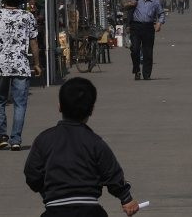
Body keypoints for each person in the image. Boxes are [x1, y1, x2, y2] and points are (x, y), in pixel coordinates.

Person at [24, 78, 140, 216]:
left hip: (55, 209)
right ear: (91, 110)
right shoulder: (95, 142)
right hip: (90, 210)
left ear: (59, 106)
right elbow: (112, 173)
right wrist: (126, 198)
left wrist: (48, 191)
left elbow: (32, 173)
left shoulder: (43, 140)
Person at [0, 0, 41, 151]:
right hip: (21, 66)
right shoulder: (28, 16)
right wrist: (37, 64)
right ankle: (16, 139)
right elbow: (34, 42)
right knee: (20, 104)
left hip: (1, 65)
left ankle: (1, 136)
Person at [125, 0, 164, 80]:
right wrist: (130, 4)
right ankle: (136, 70)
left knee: (148, 52)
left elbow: (161, 14)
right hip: (136, 27)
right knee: (135, 50)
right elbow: (125, 7)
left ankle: (146, 74)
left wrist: (159, 23)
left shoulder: (155, 1)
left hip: (148, 27)